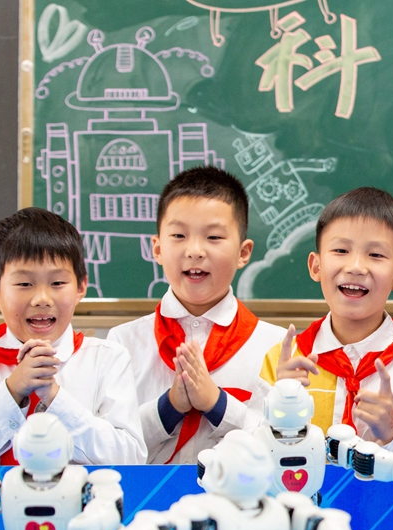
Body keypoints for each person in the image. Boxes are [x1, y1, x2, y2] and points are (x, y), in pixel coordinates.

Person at [0, 208, 144, 465]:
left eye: (57, 283)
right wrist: (12, 391)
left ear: (81, 287)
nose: (42, 299)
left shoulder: (107, 359)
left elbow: (130, 458)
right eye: (24, 284)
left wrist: (55, 397)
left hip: (84, 504)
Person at [262, 187, 393, 462]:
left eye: (376, 255)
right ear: (315, 266)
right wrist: (280, 404)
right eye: (341, 250)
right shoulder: (283, 361)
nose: (355, 267)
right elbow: (253, 461)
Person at [107, 166, 285, 464]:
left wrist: (217, 405)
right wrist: (170, 407)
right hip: (145, 506)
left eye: (213, 237)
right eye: (178, 235)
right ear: (157, 248)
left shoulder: (276, 346)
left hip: (240, 505)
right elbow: (109, 446)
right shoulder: (122, 342)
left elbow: (282, 448)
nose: (195, 250)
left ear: (244, 252)